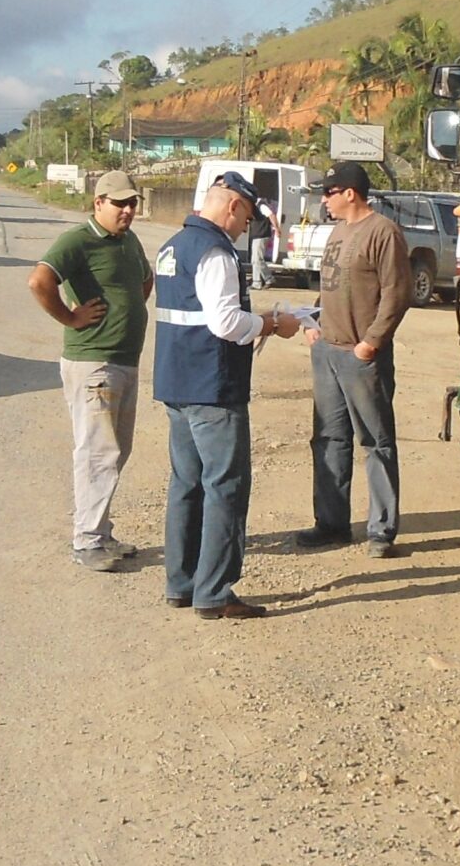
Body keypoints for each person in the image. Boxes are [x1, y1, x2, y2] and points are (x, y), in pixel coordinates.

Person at [155, 170, 297, 618]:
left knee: (186, 485)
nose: (245, 227)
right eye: (247, 217)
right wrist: (272, 324)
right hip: (213, 388)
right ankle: (214, 592)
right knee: (226, 487)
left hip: (177, 383)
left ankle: (181, 583)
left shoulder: (172, 246)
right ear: (233, 206)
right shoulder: (216, 252)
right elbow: (225, 324)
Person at [29, 169, 152, 571]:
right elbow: (39, 281)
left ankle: (100, 532)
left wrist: (129, 307)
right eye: (120, 203)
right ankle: (87, 540)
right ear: (98, 203)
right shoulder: (77, 240)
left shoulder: (128, 240)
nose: (128, 210)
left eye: (132, 203)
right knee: (97, 451)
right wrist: (71, 317)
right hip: (93, 361)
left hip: (124, 358)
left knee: (116, 451)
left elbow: (144, 281)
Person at [294, 162, 410, 558]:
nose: (324, 199)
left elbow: (397, 293)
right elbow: (329, 286)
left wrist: (371, 343)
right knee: (328, 439)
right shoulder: (338, 232)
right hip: (327, 349)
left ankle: (381, 530)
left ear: (350, 193)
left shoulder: (383, 233)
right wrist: (312, 320)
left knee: (375, 441)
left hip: (361, 355)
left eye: (329, 192)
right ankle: (331, 523)